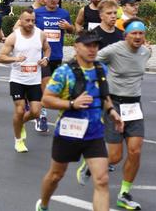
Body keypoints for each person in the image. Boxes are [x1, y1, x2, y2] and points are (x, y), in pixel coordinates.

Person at [36, 31, 123, 211]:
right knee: (55, 175)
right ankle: (43, 204)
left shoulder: (101, 69)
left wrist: (112, 111)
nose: (93, 49)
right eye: (88, 45)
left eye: (95, 46)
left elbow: (104, 96)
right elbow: (47, 100)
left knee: (102, 179)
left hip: (94, 133)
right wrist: (72, 103)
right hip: (69, 131)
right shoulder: (64, 72)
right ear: (76, 47)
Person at [88, 18, 151, 210]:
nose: (138, 36)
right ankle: (90, 162)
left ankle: (124, 194)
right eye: (134, 33)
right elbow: (91, 59)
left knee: (135, 151)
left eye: (141, 33)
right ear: (126, 35)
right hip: (114, 103)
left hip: (134, 106)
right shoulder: (114, 50)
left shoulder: (146, 52)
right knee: (114, 157)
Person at [0, 8, 50, 153]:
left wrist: (46, 58)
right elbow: (1, 57)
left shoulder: (40, 34)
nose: (31, 23)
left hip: (34, 79)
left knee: (36, 112)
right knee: (19, 110)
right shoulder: (14, 37)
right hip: (18, 79)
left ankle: (20, 124)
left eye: (33, 20)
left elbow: (47, 49)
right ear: (20, 21)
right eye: (27, 20)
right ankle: (18, 140)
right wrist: (15, 58)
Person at [34, 0, 74, 133]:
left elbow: (72, 30)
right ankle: (41, 116)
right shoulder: (37, 13)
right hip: (42, 56)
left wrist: (68, 26)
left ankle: (59, 115)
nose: (53, 1)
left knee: (57, 89)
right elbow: (28, 28)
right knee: (45, 84)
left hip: (57, 55)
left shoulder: (64, 13)